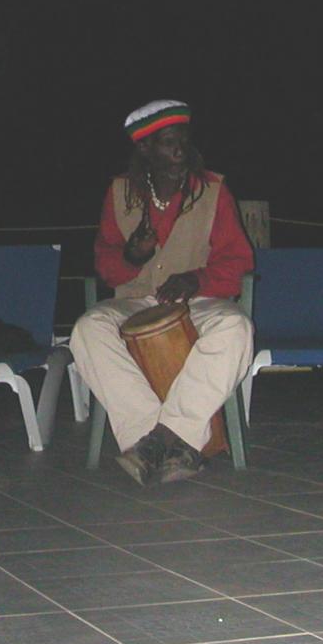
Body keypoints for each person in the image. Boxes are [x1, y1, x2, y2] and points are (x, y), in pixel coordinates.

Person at [69, 99, 254, 486]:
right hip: (135, 300)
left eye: (184, 140)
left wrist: (197, 280)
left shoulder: (213, 190)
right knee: (88, 329)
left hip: (198, 301)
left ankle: (160, 441)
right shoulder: (120, 192)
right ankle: (159, 440)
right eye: (169, 142)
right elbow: (106, 266)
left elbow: (238, 262)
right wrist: (132, 257)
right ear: (145, 148)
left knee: (236, 327)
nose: (180, 150)